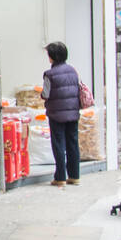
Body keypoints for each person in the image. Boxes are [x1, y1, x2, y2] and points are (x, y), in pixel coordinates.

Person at [40, 41, 82, 187]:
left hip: (56, 114)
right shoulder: (73, 71)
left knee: (59, 145)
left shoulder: (49, 74)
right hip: (73, 113)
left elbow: (45, 94)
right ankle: (75, 176)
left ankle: (60, 178)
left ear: (52, 56)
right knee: (73, 143)